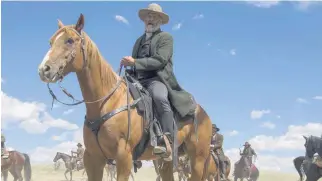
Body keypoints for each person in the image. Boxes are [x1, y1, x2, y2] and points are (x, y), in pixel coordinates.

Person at [120, 3, 196, 161]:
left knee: (159, 97)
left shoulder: (166, 38)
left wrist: (134, 62)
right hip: (137, 80)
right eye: (148, 16)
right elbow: (135, 63)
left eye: (154, 16)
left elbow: (160, 61)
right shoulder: (138, 41)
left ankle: (167, 140)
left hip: (157, 79)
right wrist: (128, 68)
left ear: (160, 20)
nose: (150, 19)